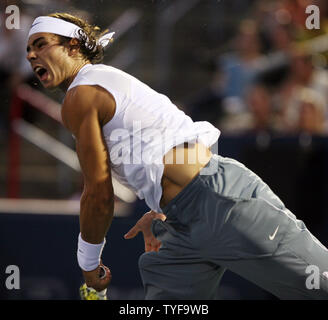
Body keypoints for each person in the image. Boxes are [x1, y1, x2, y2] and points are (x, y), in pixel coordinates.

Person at [26, 13, 328, 299]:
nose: (31, 56)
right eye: (28, 50)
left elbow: (98, 194)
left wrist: (89, 264)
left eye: (40, 44)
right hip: (178, 225)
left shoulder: (81, 96)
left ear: (73, 45)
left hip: (218, 200)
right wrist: (161, 202)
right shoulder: (95, 86)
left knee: (320, 286)